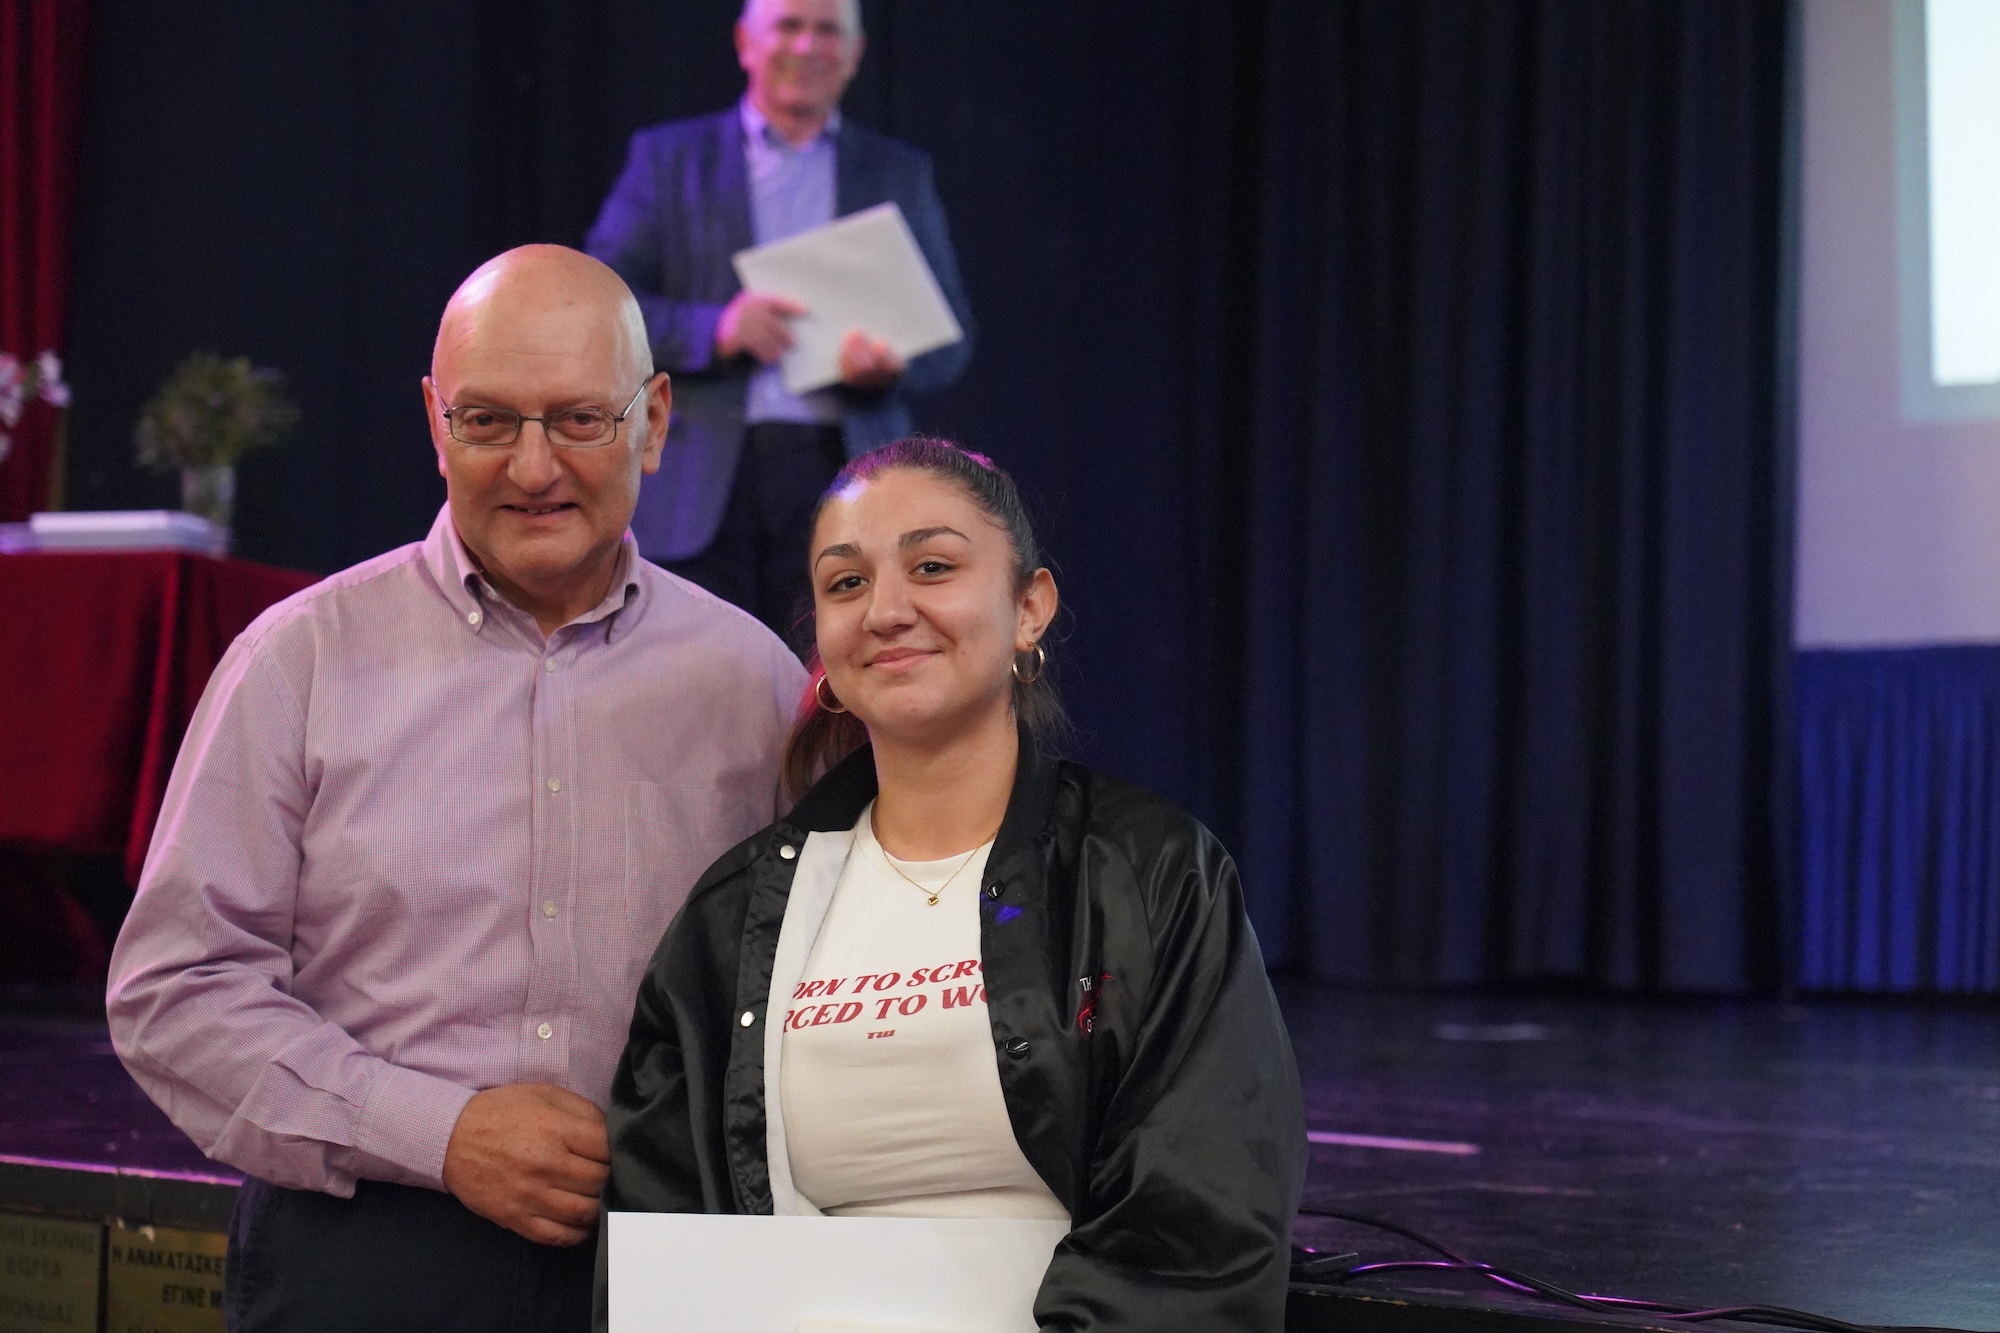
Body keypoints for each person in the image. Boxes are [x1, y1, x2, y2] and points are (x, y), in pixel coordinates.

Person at [105, 245, 808, 1333]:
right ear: (436, 423)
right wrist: (438, 1133)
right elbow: (175, 991)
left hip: (667, 1255)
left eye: (579, 419)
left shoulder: (755, 684)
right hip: (365, 1247)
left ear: (655, 421)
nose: (533, 466)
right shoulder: (298, 658)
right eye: (487, 421)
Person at [601, 439, 1305, 1330]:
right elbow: (668, 1232)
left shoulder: (1150, 875)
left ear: (1029, 607)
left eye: (932, 566)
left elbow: (1196, 1227)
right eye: (846, 583)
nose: (887, 609)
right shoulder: (728, 919)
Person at [584, 0, 974, 646]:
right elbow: (599, 302)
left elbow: (950, 338)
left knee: (828, 682)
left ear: (855, 53)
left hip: (843, 469)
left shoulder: (895, 171)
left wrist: (891, 364)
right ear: (745, 42)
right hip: (700, 479)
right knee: (693, 679)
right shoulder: (670, 159)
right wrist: (715, 329)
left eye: (827, 30)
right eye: (789, 26)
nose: (807, 46)